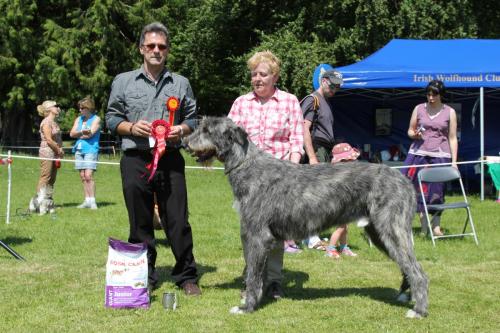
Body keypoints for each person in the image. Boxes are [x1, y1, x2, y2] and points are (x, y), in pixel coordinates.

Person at [105, 22, 201, 296]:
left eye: (161, 46)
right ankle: (143, 275)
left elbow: (192, 118)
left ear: (167, 50)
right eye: (151, 46)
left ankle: (186, 275)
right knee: (140, 220)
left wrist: (181, 129)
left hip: (170, 158)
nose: (156, 50)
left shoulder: (181, 83)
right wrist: (132, 128)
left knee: (178, 220)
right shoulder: (123, 81)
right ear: (141, 49)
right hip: (135, 158)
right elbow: (112, 118)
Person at [228, 50, 304, 299]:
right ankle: (253, 278)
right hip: (248, 180)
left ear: (275, 76)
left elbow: (296, 138)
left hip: (279, 179)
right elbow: (228, 137)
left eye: (263, 74)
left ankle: (273, 281)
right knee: (249, 230)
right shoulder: (241, 103)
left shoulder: (290, 101)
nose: (257, 78)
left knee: (276, 231)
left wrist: (293, 169)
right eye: (254, 74)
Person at [301, 70, 357, 258]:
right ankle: (311, 238)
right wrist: (312, 157)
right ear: (323, 81)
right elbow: (304, 129)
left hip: (324, 150)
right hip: (316, 150)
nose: (335, 89)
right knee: (313, 197)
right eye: (332, 85)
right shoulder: (312, 100)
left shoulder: (326, 102)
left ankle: (312, 235)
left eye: (338, 87)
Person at [401, 79, 458, 236]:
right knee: (415, 189)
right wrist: (414, 134)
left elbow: (452, 138)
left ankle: (436, 227)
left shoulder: (450, 112)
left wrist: (454, 162)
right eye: (428, 94)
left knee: (437, 191)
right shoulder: (419, 108)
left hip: (440, 155)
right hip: (418, 153)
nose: (431, 97)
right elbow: (410, 131)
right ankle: (424, 226)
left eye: (434, 94)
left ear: (441, 94)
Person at [28, 100, 64, 215]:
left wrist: (60, 150)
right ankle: (37, 202)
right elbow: (49, 140)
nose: (58, 107)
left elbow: (57, 139)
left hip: (55, 154)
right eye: (55, 106)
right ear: (49, 109)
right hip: (47, 153)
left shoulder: (55, 123)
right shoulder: (46, 122)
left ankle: (48, 202)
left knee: (52, 179)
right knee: (45, 177)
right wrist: (58, 149)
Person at [70, 96, 101, 209]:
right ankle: (86, 200)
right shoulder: (78, 119)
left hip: (91, 149)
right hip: (79, 149)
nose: (80, 110)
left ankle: (93, 201)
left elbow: (90, 134)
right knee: (83, 176)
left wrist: (79, 133)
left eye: (82, 108)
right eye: (80, 108)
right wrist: (82, 132)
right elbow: (71, 134)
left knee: (89, 175)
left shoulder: (96, 119)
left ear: (88, 108)